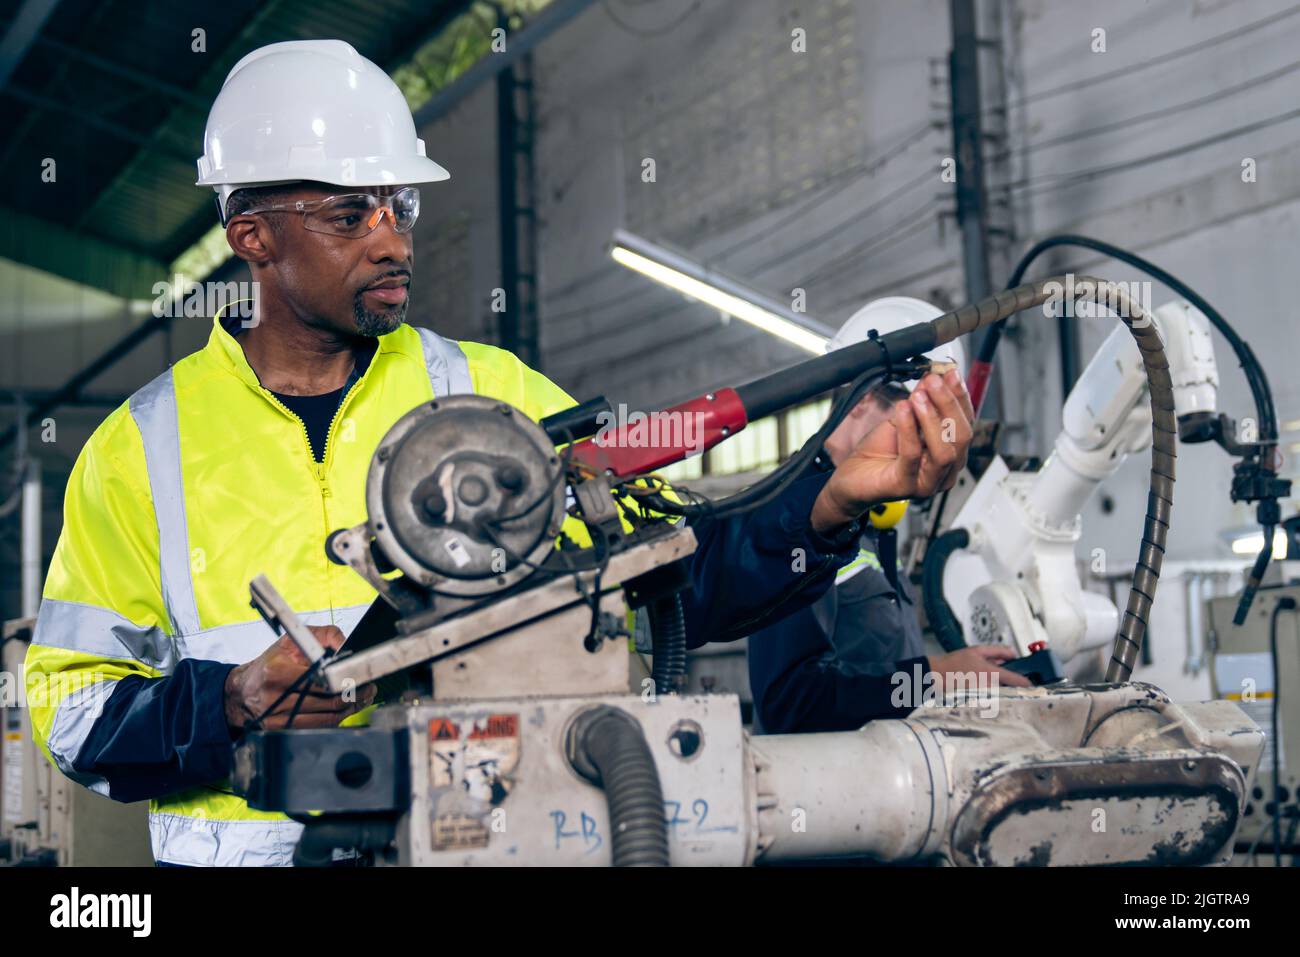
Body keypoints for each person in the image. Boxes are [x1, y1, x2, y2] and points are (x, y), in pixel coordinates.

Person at [24, 41, 974, 865]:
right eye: (352, 214)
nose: (392, 239)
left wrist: (828, 499)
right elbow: (68, 713)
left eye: (400, 206)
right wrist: (227, 700)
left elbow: (682, 570)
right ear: (252, 235)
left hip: (480, 847)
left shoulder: (485, 393)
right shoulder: (138, 450)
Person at [749, 299, 1029, 734]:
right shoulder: (791, 516)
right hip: (821, 790)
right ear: (861, 399)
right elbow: (790, 703)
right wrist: (935, 676)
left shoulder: (876, 517)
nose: (928, 440)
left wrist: (953, 674)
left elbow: (879, 661)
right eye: (917, 418)